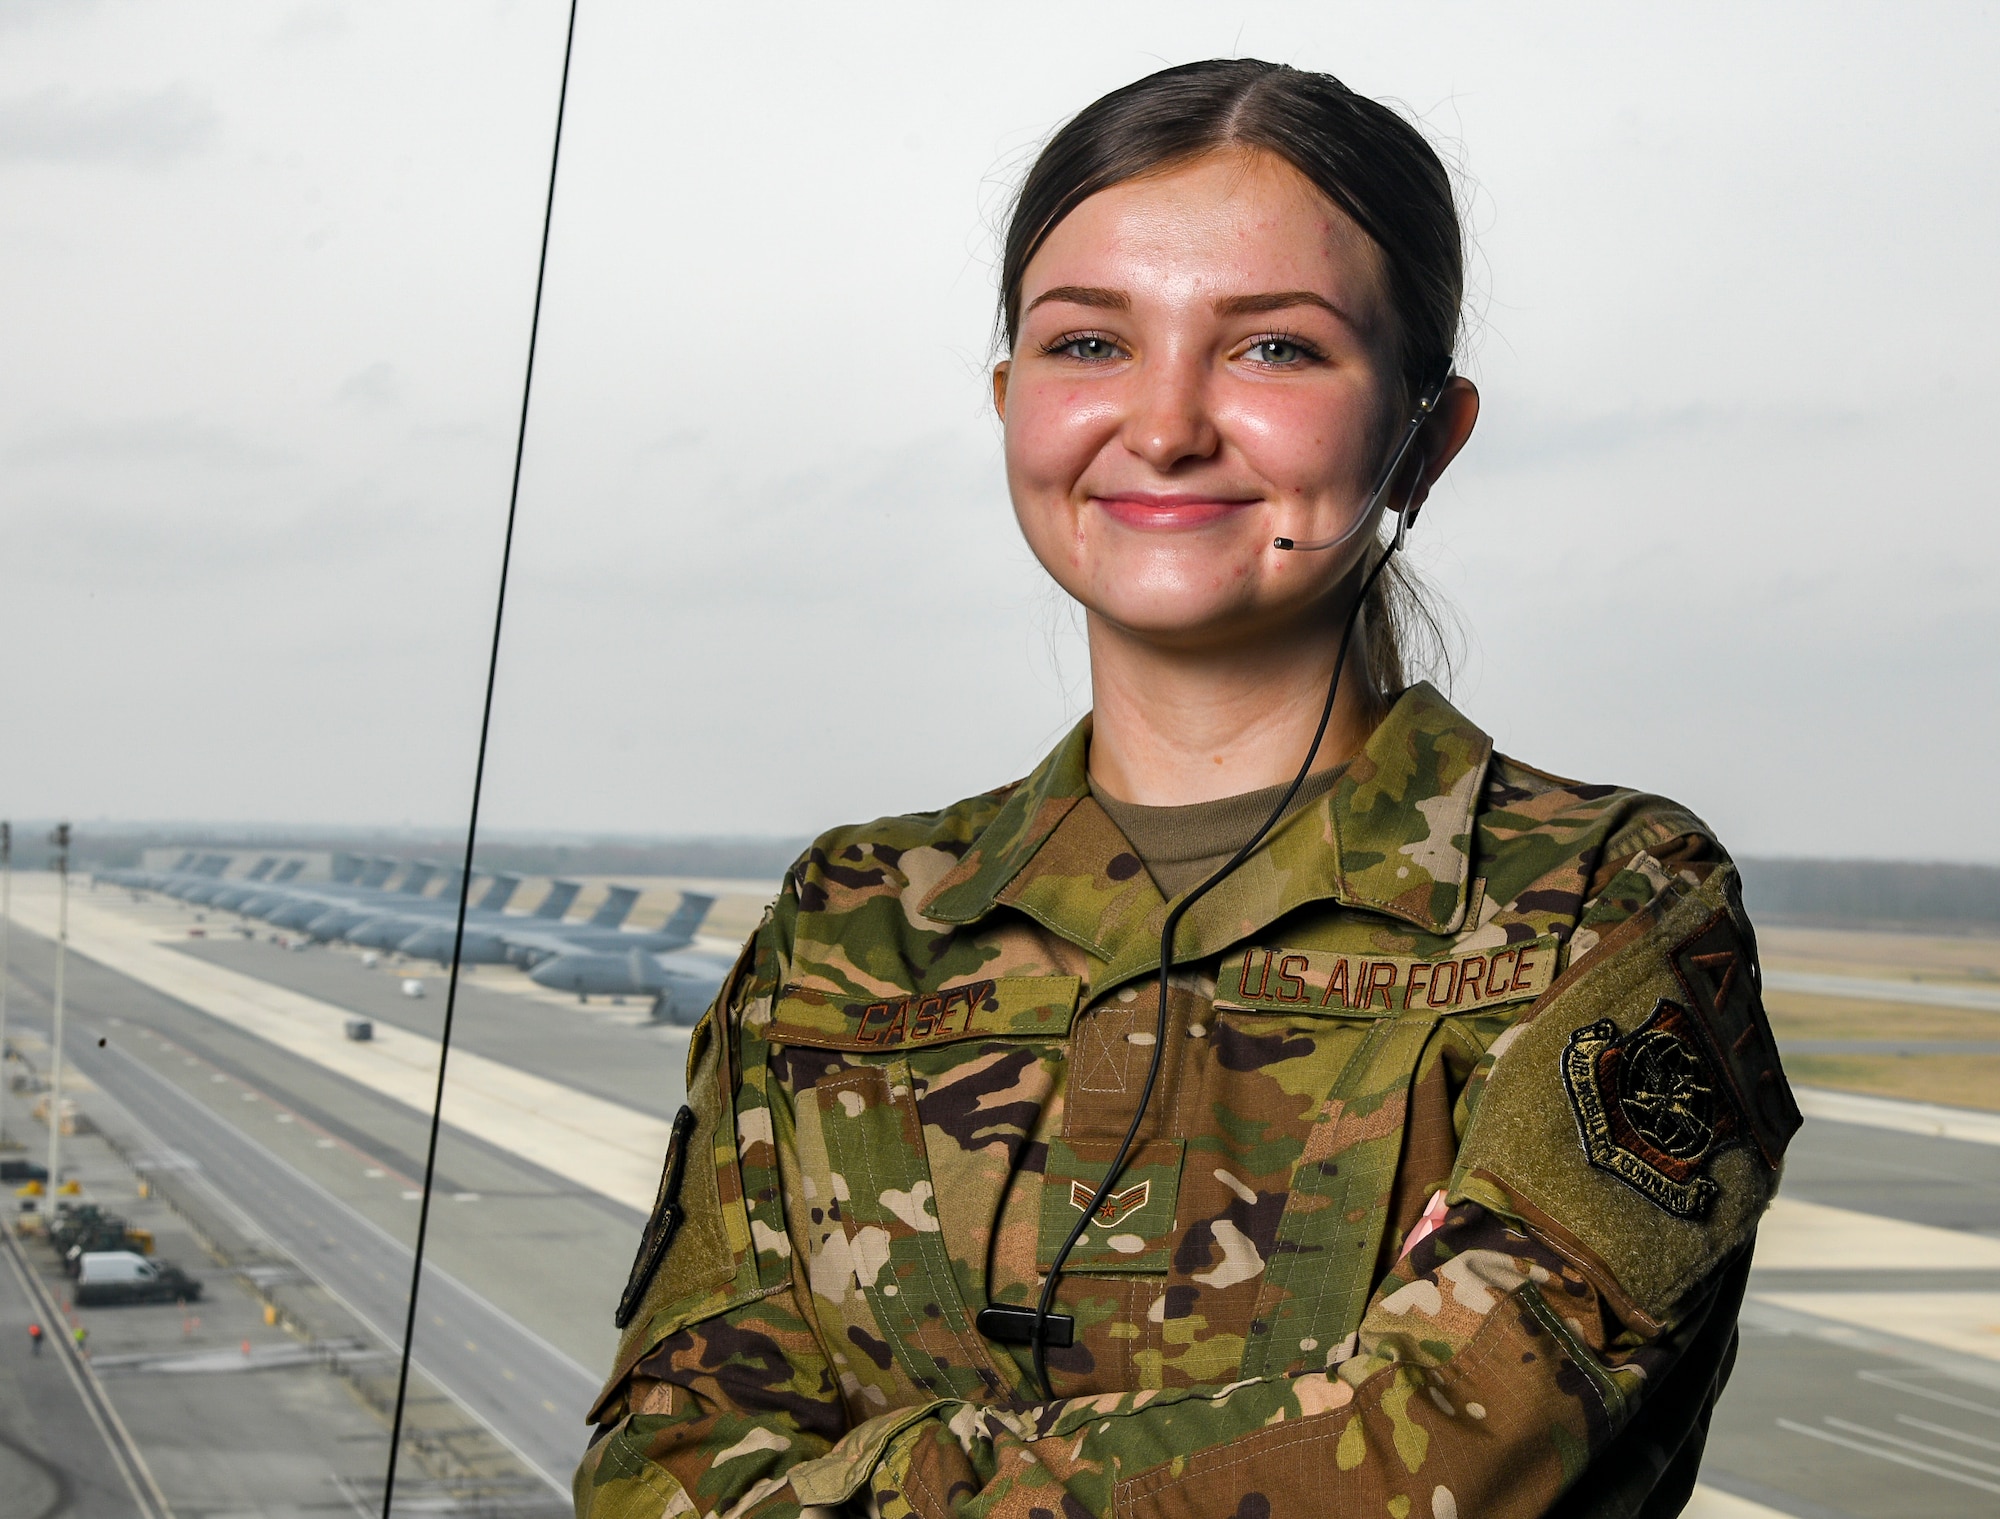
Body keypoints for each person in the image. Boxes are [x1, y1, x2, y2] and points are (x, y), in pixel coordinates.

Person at [575, 59, 1798, 1519]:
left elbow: (1448, 1452)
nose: (1163, 426)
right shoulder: (852, 925)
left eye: (1273, 350)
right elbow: (658, 1474)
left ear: (1425, 435)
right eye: (1088, 343)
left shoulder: (1601, 903)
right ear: (1008, 401)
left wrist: (874, 1480)